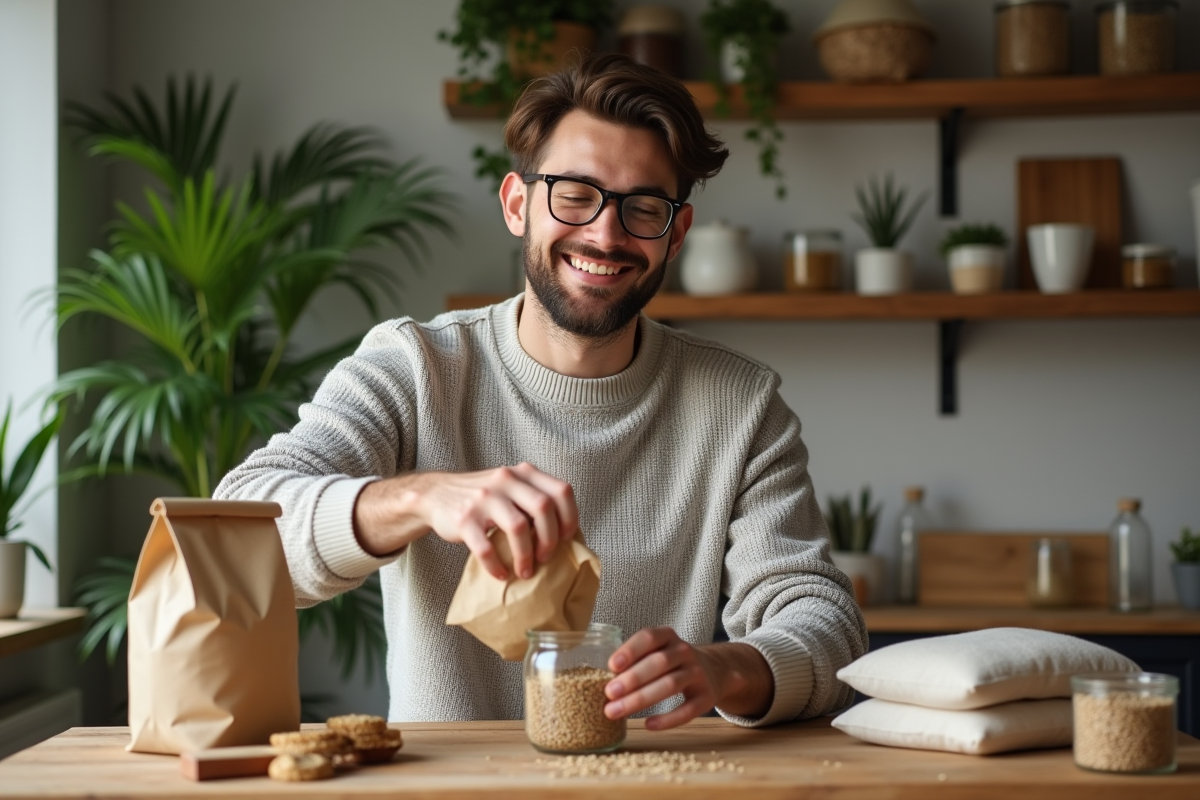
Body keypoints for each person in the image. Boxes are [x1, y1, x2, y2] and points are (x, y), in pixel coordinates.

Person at [215, 52, 866, 730]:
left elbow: (823, 619)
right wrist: (419, 496)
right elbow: (237, 530)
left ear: (676, 235)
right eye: (575, 196)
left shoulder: (741, 405)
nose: (605, 234)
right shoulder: (414, 367)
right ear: (517, 205)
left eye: (643, 207)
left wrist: (728, 668)